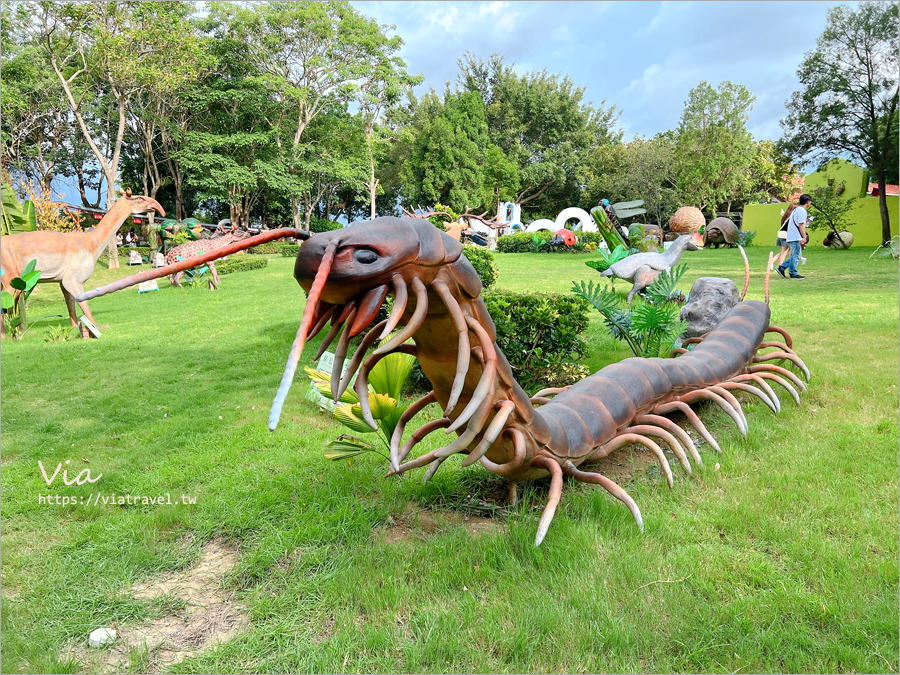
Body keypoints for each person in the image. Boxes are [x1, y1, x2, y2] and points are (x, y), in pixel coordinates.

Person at [776, 193, 812, 280]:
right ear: (808, 202)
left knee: (796, 255)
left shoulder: (796, 210)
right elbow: (801, 225)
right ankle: (793, 273)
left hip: (792, 236)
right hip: (795, 236)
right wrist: (804, 237)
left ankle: (782, 268)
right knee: (795, 255)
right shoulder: (802, 211)